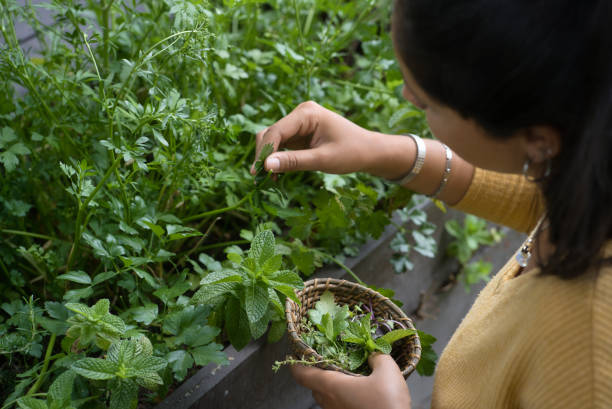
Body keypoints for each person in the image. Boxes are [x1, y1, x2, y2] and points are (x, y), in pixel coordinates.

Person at [250, 0, 612, 408]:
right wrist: (378, 150)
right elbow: (534, 193)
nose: (406, 95)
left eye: (427, 103)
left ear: (540, 140)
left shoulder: (590, 361)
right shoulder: (590, 165)